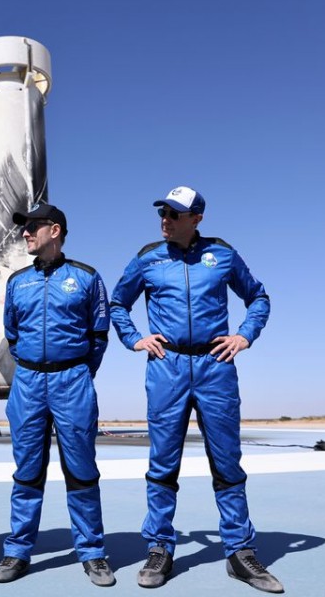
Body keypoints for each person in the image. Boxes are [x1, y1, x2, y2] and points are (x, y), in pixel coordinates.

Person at [109, 187, 283, 593]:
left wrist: (244, 335)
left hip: (215, 367)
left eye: (175, 214)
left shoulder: (222, 254)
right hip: (166, 367)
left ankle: (240, 552)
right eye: (163, 212)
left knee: (227, 462)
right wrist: (134, 338)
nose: (165, 220)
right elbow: (118, 303)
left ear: (197, 218)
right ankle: (159, 547)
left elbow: (258, 297)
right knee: (162, 463)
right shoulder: (148, 257)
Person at [0, 203, 115, 587]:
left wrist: (75, 371)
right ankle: (17, 551)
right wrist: (34, 367)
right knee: (27, 471)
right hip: (28, 383)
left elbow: (98, 335)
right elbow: (12, 334)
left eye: (33, 226)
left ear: (55, 230)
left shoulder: (87, 277)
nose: (25, 233)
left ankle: (92, 553)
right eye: (24, 228)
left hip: (72, 381)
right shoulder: (17, 281)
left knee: (81, 471)